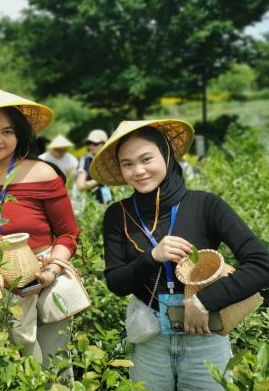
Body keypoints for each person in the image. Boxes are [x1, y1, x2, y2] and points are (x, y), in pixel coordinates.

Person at [89, 119, 269, 390]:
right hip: (149, 337)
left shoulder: (206, 205)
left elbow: (262, 263)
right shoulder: (118, 214)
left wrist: (204, 301)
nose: (138, 170)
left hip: (205, 334)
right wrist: (152, 257)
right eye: (127, 164)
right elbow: (116, 283)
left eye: (146, 159)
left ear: (167, 155)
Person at [0, 88, 80, 369]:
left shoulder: (42, 173)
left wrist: (52, 269)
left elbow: (68, 233)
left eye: (7, 132)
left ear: (20, 135)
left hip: (45, 277)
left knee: (53, 366)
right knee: (10, 365)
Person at [76, 129, 112, 204]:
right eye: (89, 143)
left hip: (109, 201)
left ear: (104, 144)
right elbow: (80, 186)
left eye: (95, 143)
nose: (91, 146)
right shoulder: (86, 159)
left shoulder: (110, 159)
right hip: (91, 203)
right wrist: (100, 180)